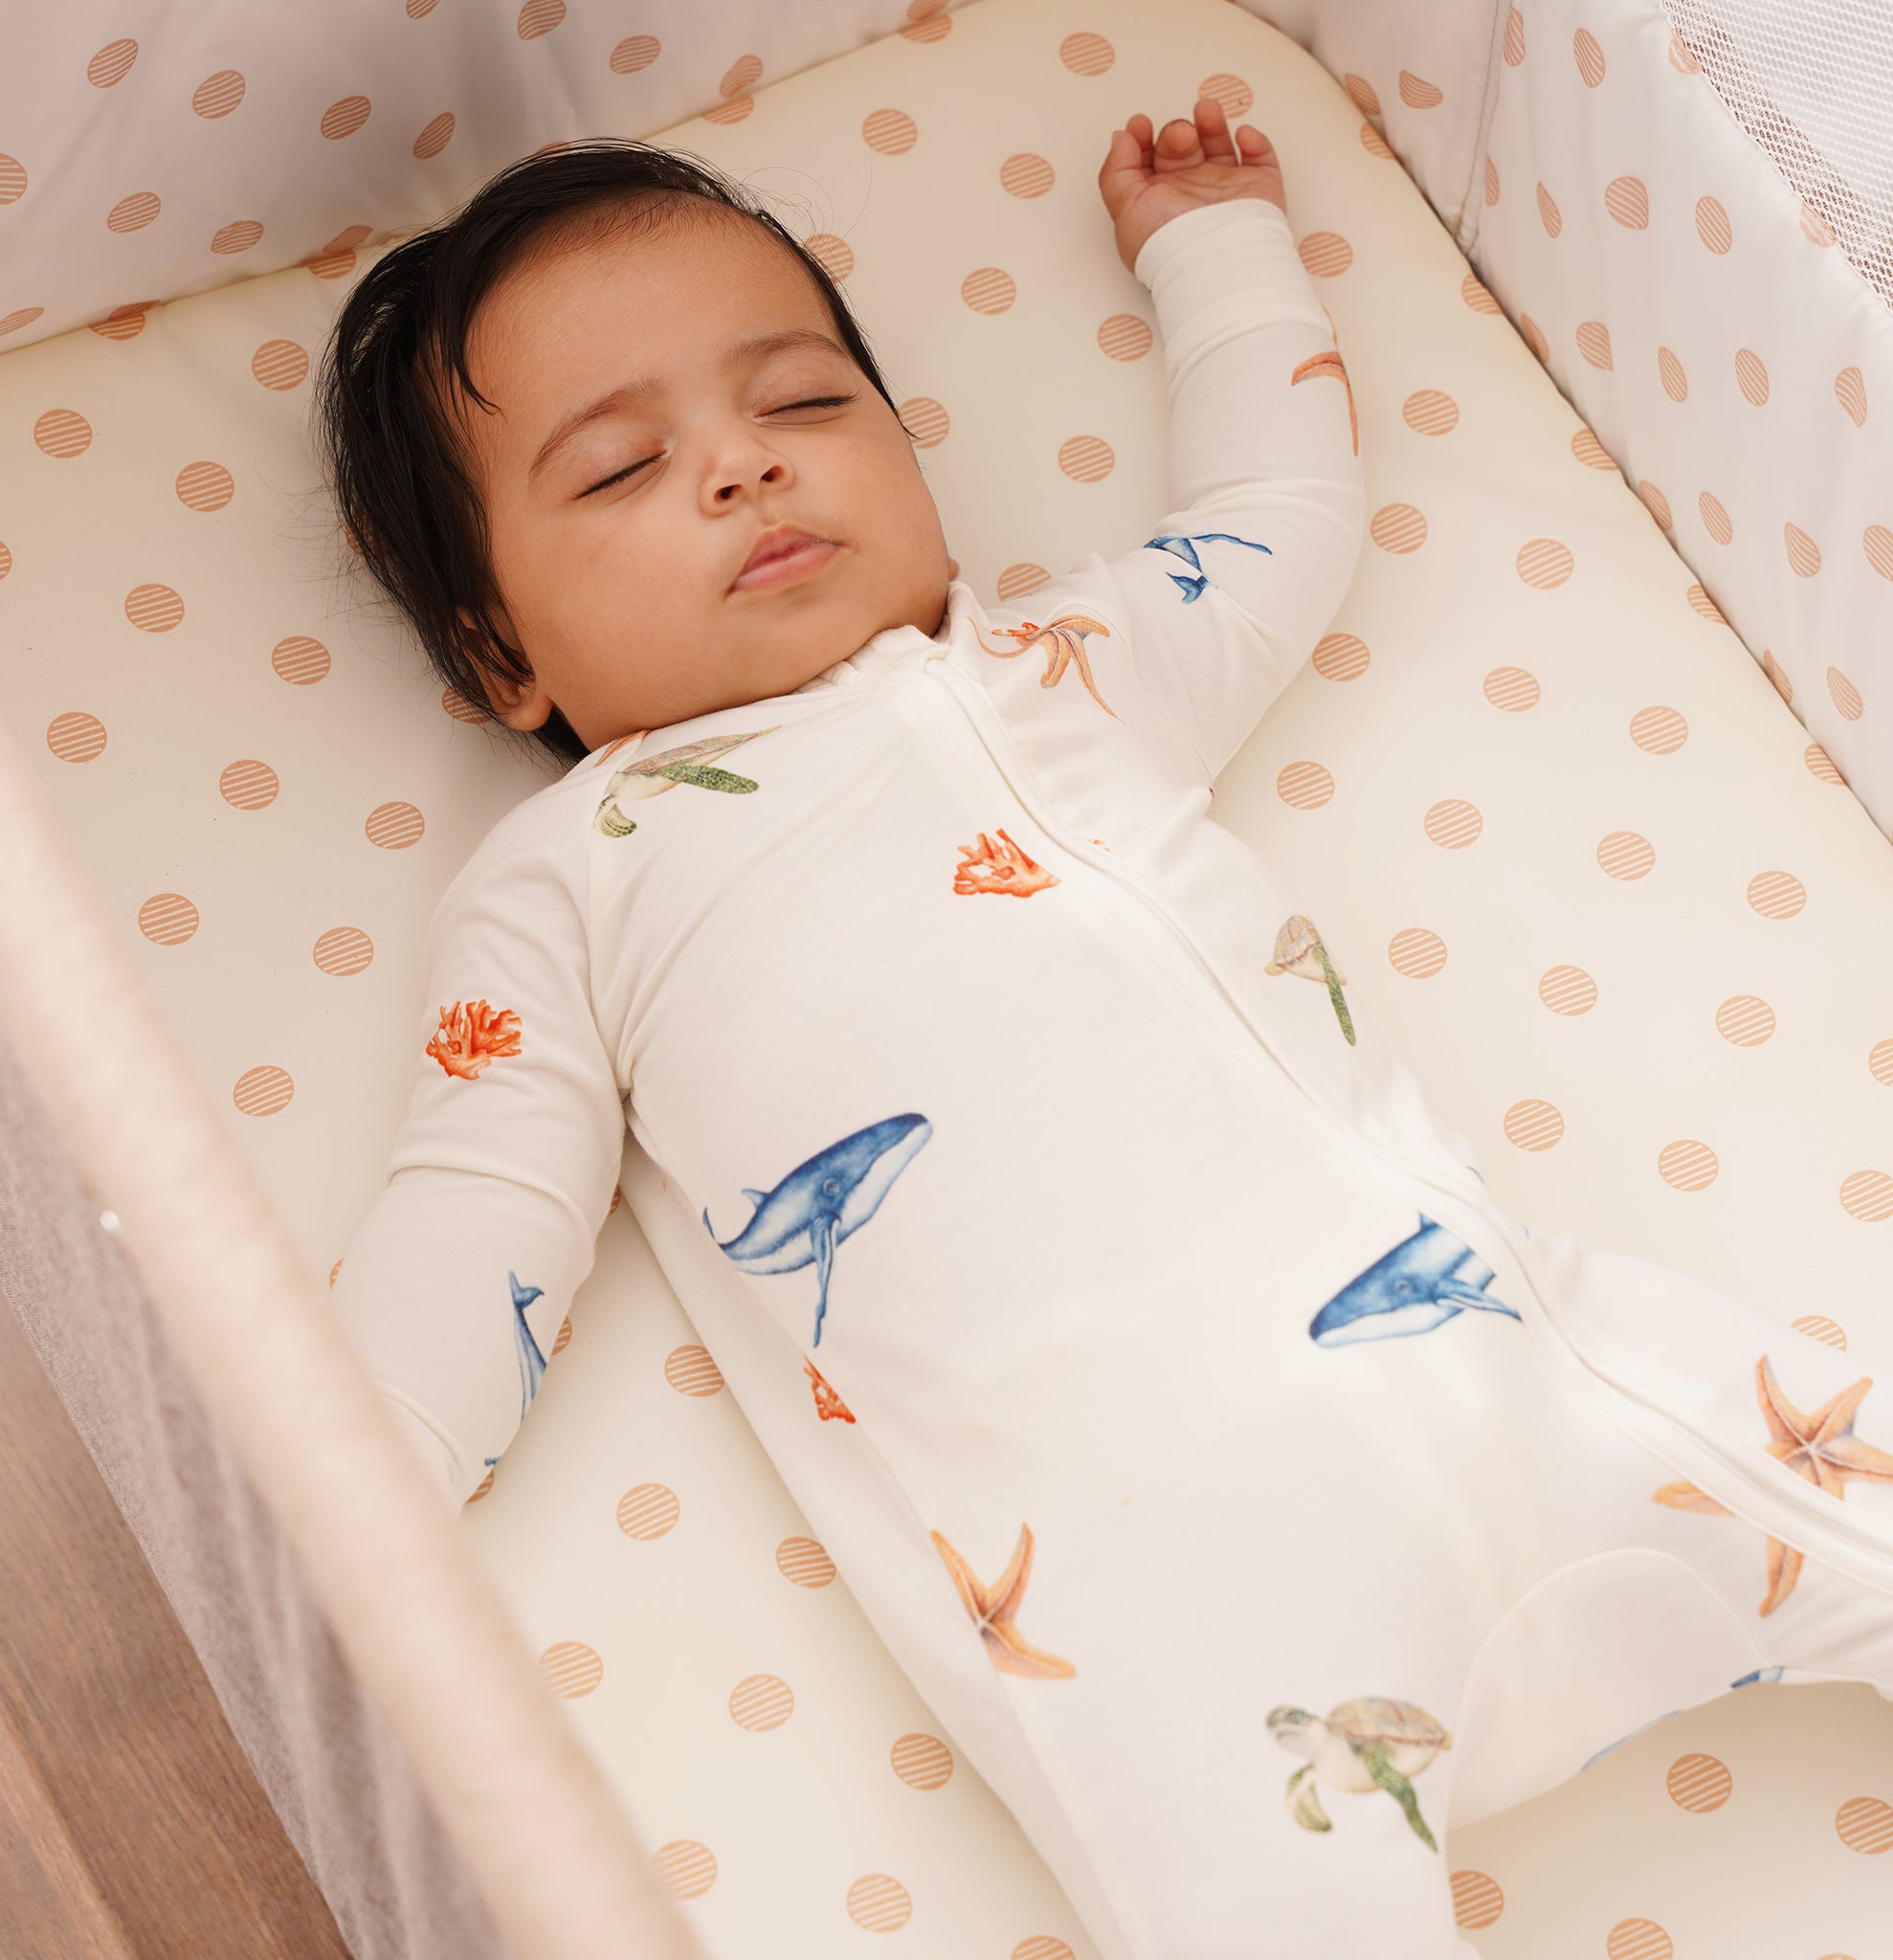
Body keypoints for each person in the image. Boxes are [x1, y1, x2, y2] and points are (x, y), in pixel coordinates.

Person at [320, 107, 1893, 1958]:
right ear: (500, 655)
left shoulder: (1068, 662)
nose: (745, 465)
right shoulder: (573, 877)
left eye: (805, 400)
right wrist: (318, 1497)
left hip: (1537, 1382)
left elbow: (1279, 520)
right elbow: (480, 1208)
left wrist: (1216, 255)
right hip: (1169, 1611)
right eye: (621, 469)